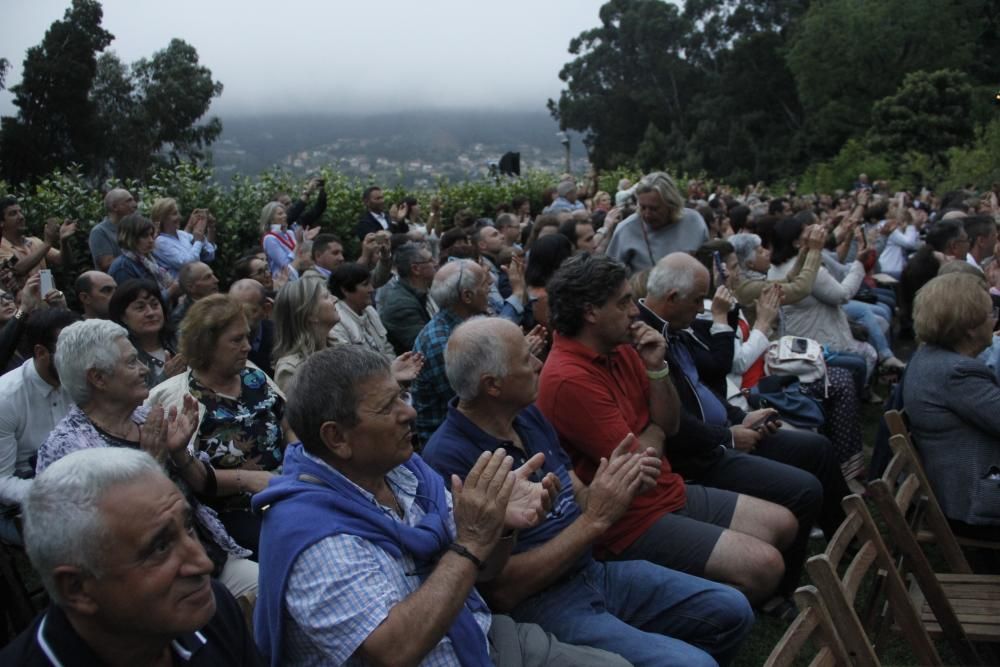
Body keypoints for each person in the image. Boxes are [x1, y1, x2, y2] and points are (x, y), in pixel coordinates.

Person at [253, 345, 626, 667]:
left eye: (402, 396)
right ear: (336, 437)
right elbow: (396, 651)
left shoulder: (406, 472)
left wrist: (501, 526)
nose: (409, 413)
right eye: (388, 407)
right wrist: (473, 541)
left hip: (482, 638)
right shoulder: (312, 536)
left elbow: (484, 571)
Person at [424, 318, 754, 667]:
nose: (539, 364)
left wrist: (615, 484)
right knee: (694, 664)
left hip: (593, 571)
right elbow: (501, 590)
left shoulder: (525, 415)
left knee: (733, 610)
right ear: (492, 385)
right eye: (526, 360)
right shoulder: (450, 460)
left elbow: (580, 495)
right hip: (541, 604)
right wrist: (596, 519)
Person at [538, 254, 797, 605]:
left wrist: (657, 368)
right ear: (590, 312)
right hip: (629, 522)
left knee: (784, 524)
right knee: (764, 565)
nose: (634, 312)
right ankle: (693, 616)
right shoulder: (568, 378)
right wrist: (654, 429)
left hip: (666, 488)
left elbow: (670, 424)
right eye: (624, 302)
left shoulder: (625, 347)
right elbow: (637, 467)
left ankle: (714, 598)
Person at [639, 252, 852, 604]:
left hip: (723, 432)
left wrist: (739, 419)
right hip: (701, 454)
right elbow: (674, 425)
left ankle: (846, 540)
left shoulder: (676, 327)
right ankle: (780, 594)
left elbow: (701, 388)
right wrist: (729, 437)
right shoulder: (647, 340)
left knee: (816, 448)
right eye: (697, 301)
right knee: (804, 490)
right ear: (673, 299)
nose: (702, 308)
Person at [36, 319, 258, 597]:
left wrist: (179, 454)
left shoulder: (145, 417)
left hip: (208, 555)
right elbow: (101, 540)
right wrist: (150, 464)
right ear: (98, 378)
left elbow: (202, 484)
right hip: (147, 584)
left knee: (270, 591)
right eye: (131, 363)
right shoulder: (68, 450)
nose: (144, 370)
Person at [0, 448, 264, 666]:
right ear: (77, 588)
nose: (203, 564)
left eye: (188, 526)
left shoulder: (214, 612)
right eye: (160, 547)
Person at [148, 295, 287, 558]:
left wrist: (296, 456)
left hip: (285, 488)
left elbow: (288, 421)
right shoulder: (177, 397)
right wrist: (249, 480)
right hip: (232, 511)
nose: (247, 347)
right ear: (206, 346)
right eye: (236, 340)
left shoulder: (254, 376)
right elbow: (192, 475)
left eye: (247, 337)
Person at [902, 272, 1000, 543]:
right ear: (969, 325)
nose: (994, 318)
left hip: (957, 491)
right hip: (978, 503)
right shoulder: (958, 373)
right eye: (990, 312)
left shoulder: (930, 357)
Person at [0, 308, 79, 543]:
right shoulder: (6, 398)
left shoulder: (81, 376)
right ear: (41, 352)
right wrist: (60, 493)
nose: (82, 358)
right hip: (23, 497)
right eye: (71, 351)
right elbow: (1, 482)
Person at [412, 259, 492, 446]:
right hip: (453, 446)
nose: (491, 284)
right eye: (484, 282)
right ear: (467, 296)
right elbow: (476, 404)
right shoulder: (443, 344)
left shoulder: (470, 323)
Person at [606, 171, 709, 274]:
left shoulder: (694, 222)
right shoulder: (626, 230)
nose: (647, 214)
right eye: (642, 207)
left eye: (654, 209)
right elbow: (610, 276)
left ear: (670, 204)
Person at [109, 279, 185, 389]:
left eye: (155, 305)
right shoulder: (120, 356)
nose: (150, 313)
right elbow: (133, 402)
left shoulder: (182, 340)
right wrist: (165, 378)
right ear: (123, 317)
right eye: (140, 308)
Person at [272, 279, 340, 392]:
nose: (335, 299)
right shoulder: (292, 370)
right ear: (310, 314)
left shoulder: (339, 345)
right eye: (327, 296)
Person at [378, 242, 437, 354]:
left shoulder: (425, 291)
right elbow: (428, 347)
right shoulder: (401, 305)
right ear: (416, 269)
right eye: (430, 260)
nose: (436, 263)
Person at [108, 213, 180, 304]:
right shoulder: (123, 266)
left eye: (151, 235)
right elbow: (135, 305)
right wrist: (171, 291)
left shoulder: (149, 259)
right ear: (130, 238)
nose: (151, 240)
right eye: (145, 236)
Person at [1, 195, 76, 279]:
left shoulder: (34, 242)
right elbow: (16, 269)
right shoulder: (2, 247)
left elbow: (63, 261)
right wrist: (47, 243)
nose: (21, 217)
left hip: (47, 292)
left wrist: (64, 241)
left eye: (20, 212)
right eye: (13, 213)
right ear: (1, 222)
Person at [329, 262, 394, 358]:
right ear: (345, 290)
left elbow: (387, 348)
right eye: (365, 285)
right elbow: (348, 363)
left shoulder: (370, 311)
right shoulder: (336, 322)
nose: (371, 289)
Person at [151, 198, 217, 279]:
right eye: (174, 214)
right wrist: (198, 242)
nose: (179, 217)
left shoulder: (182, 234)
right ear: (163, 219)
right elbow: (188, 265)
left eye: (178, 213)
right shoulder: (160, 242)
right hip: (181, 290)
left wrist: (204, 227)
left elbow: (210, 255)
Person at [229, 278, 276, 378]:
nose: (238, 318)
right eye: (232, 310)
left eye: (247, 312)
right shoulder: (220, 343)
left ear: (266, 309)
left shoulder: (279, 339)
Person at [88, 188, 137, 271]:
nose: (135, 204)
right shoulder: (99, 232)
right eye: (129, 201)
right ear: (114, 207)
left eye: (133, 200)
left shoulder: (134, 227)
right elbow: (106, 264)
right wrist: (136, 255)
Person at [171, 261, 220, 327]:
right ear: (191, 287)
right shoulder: (181, 317)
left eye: (213, 275)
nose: (216, 280)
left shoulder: (224, 303)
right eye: (208, 277)